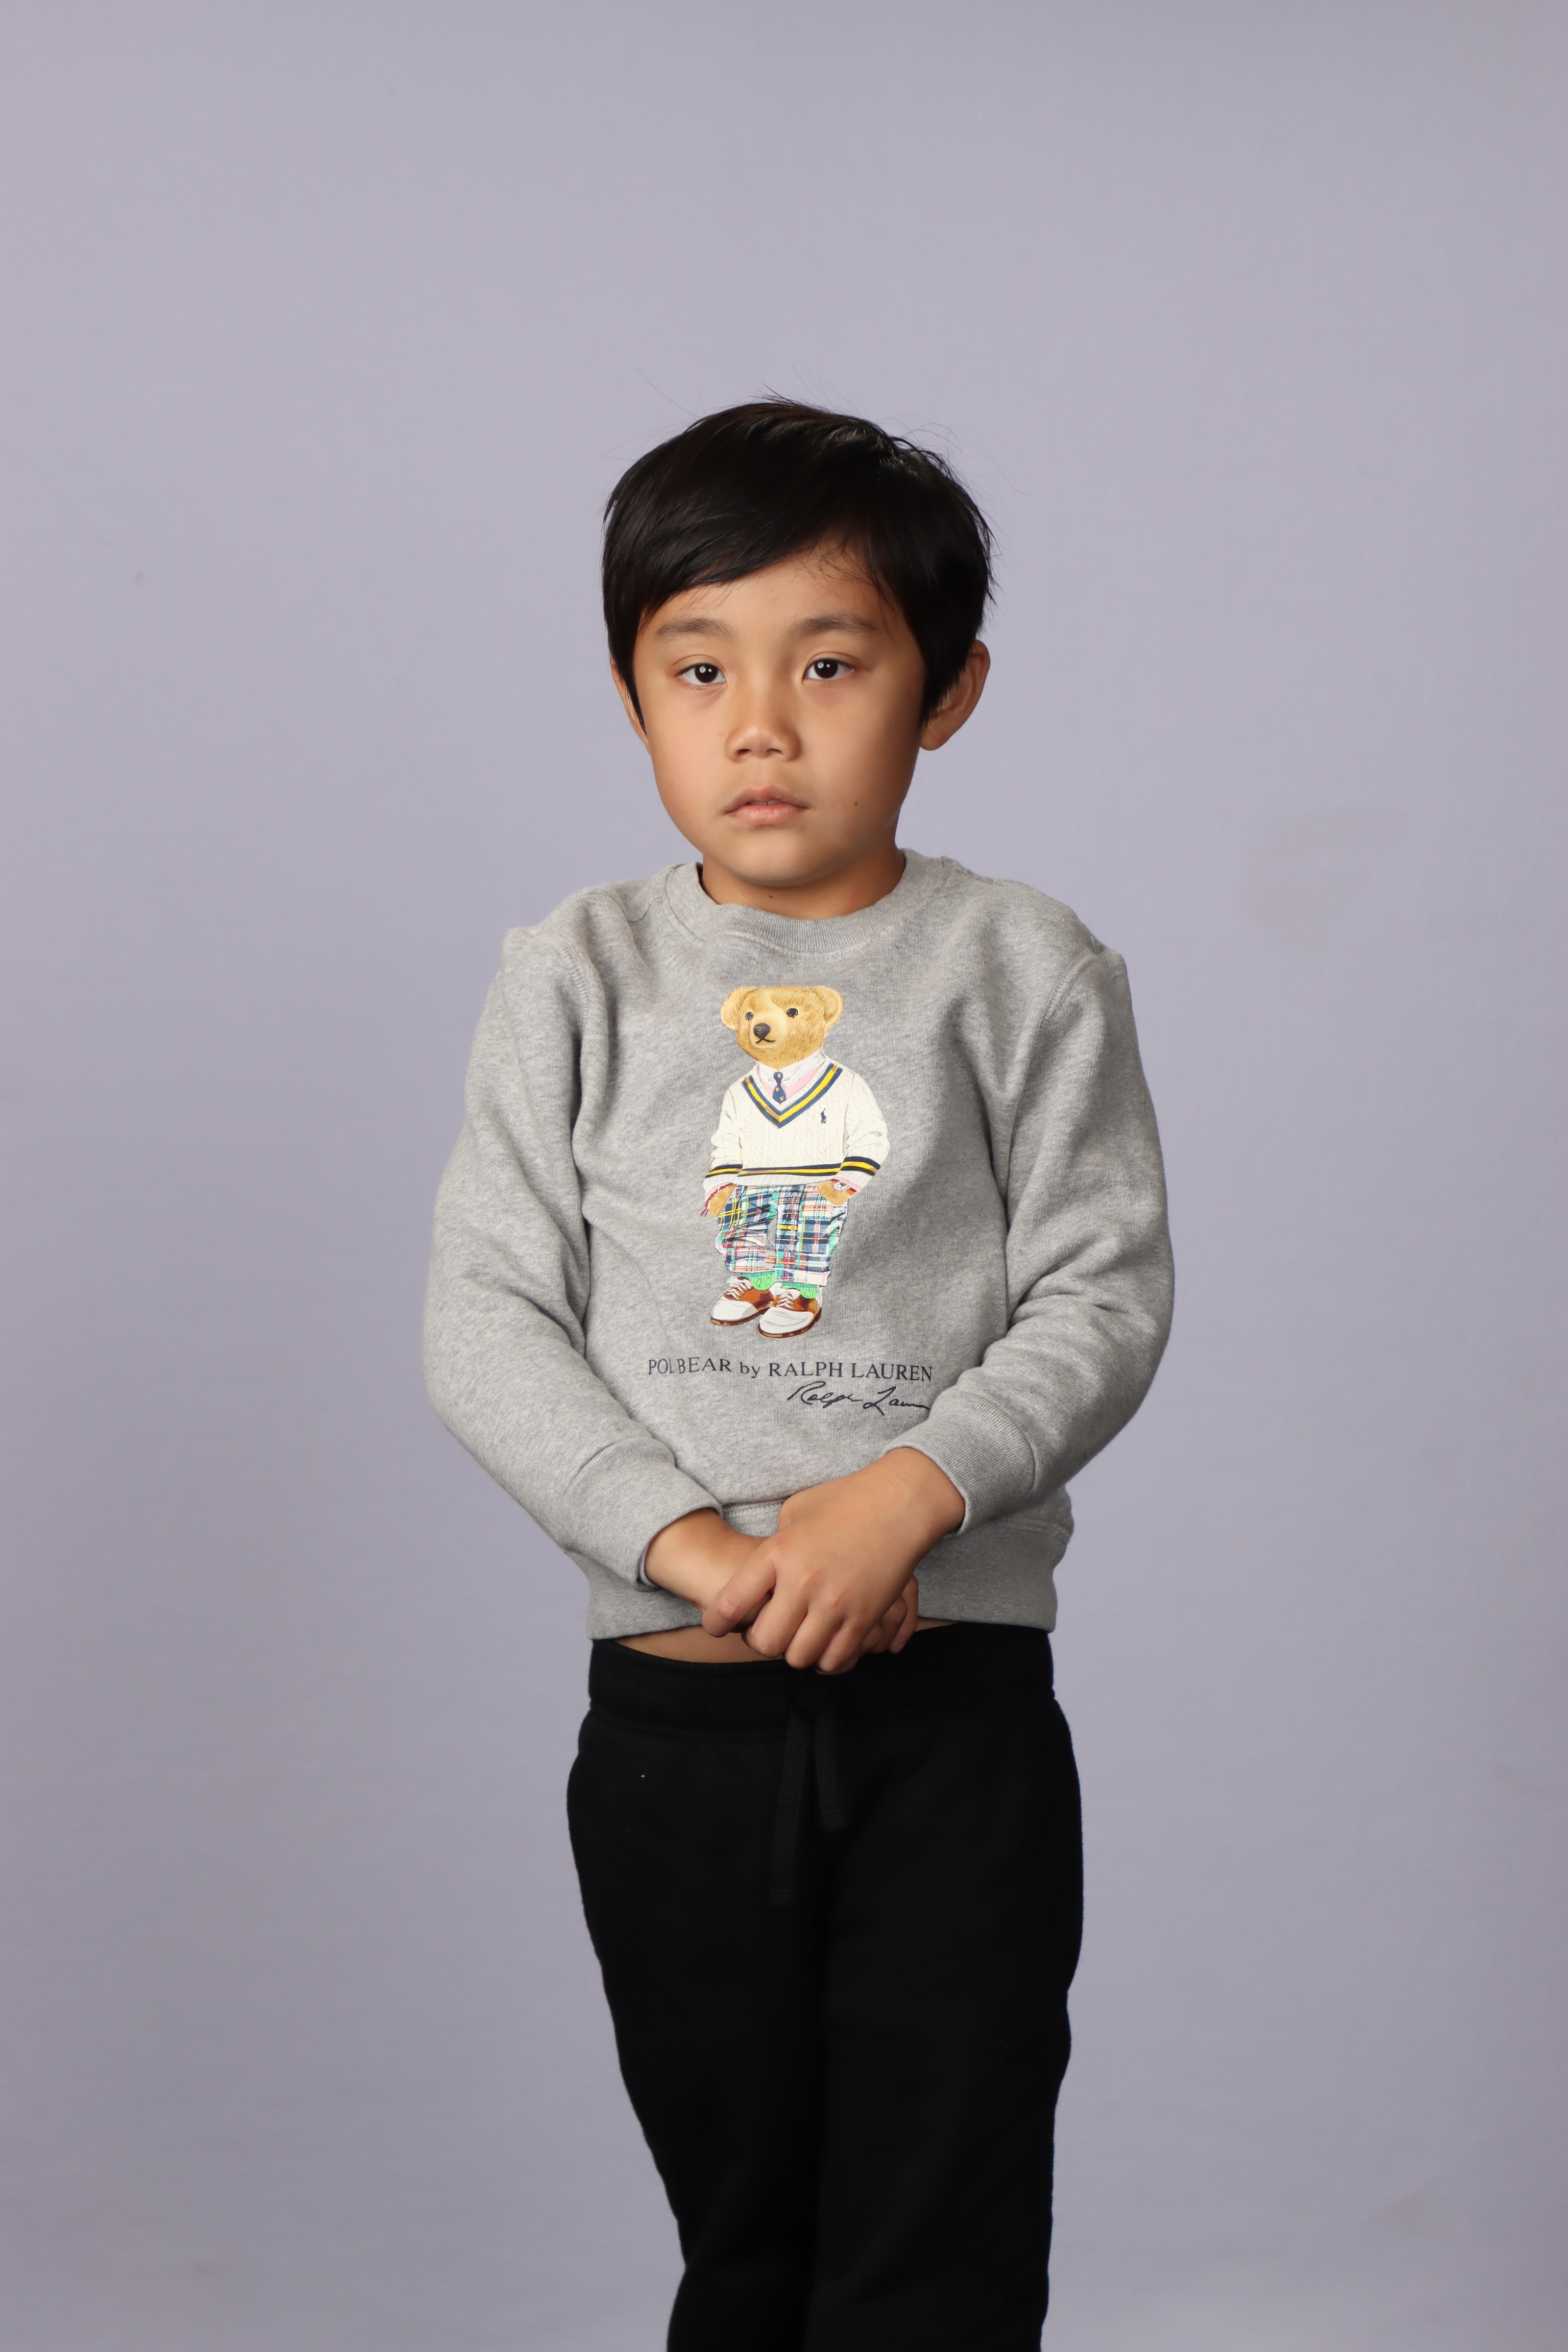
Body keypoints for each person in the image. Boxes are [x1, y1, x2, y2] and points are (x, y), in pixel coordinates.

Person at [422, 399, 1174, 2352]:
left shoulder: (1022, 967)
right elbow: (486, 1317)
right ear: (631, 697)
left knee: (933, 2247)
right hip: (678, 1732)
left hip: (951, 1725)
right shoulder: (573, 973)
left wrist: (899, 1502)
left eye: (829, 666)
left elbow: (1099, 1292)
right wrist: (698, 1548)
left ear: (949, 692)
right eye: (700, 671)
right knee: (745, 2246)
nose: (760, 725)